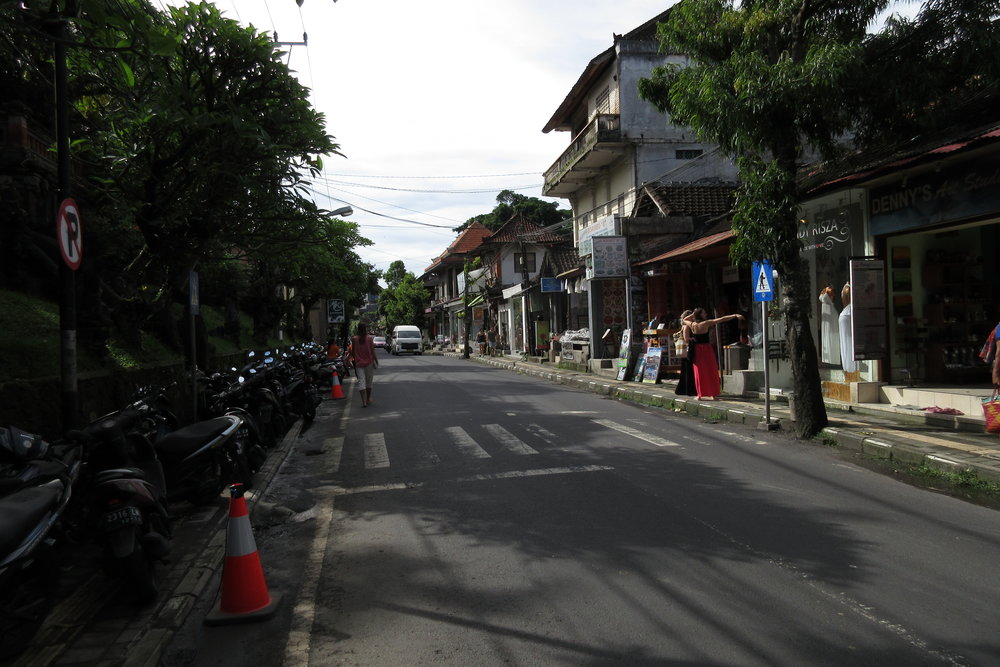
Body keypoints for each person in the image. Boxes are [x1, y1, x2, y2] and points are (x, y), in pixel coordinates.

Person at [683, 308, 745, 400]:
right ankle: (713, 394)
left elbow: (684, 319)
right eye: (704, 313)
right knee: (711, 370)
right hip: (706, 349)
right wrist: (735, 315)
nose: (706, 314)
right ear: (700, 315)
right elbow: (722, 319)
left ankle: (699, 394)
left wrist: (693, 315)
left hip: (697, 349)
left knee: (699, 372)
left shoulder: (692, 324)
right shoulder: (706, 323)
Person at [348, 322, 378, 408]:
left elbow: (353, 352)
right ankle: (368, 399)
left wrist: (356, 360)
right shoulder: (369, 339)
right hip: (369, 363)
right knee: (369, 382)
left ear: (358, 329)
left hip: (358, 363)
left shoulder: (354, 339)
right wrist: (376, 360)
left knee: (361, 381)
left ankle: (364, 402)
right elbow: (372, 351)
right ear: (365, 329)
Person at [674, 310, 697, 396]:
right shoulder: (687, 326)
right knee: (688, 370)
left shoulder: (684, 325)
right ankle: (689, 390)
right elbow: (686, 338)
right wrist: (694, 339)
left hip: (686, 351)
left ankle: (683, 389)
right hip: (688, 350)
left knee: (686, 370)